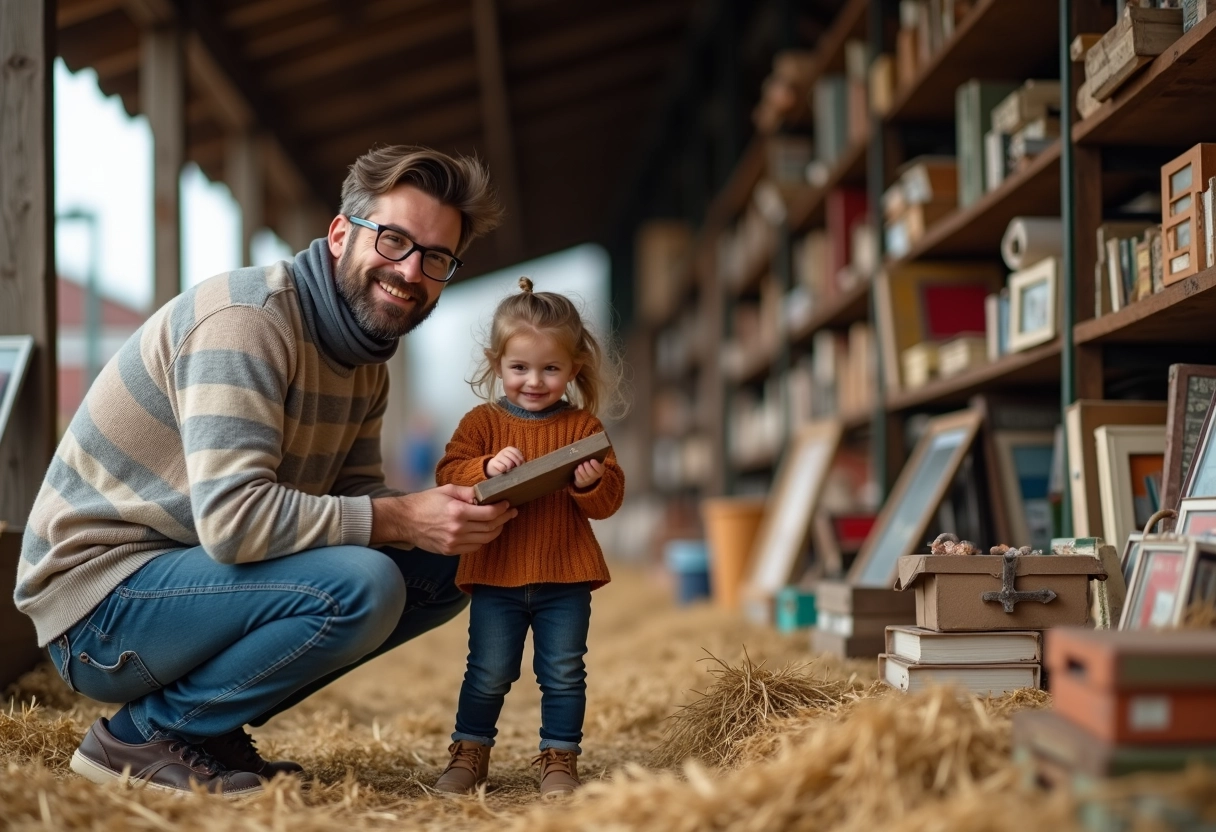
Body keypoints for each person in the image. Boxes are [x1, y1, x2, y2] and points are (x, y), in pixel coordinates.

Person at [14, 145, 519, 797]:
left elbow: (354, 498)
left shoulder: (364, 360)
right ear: (341, 234)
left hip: (184, 579)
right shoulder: (249, 321)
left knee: (444, 566)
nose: (410, 271)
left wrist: (449, 509)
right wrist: (401, 517)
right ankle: (144, 737)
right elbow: (234, 523)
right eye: (393, 240)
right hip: (98, 606)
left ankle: (209, 729)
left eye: (436, 258)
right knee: (363, 583)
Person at [431, 277, 625, 798]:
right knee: (489, 671)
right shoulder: (483, 422)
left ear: (573, 369)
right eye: (519, 368)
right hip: (496, 574)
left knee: (563, 672)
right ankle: (471, 752)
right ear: (498, 365)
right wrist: (485, 467)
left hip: (566, 576)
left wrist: (592, 484)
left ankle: (559, 758)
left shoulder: (583, 427)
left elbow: (609, 502)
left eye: (550, 369)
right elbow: (447, 472)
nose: (533, 381)